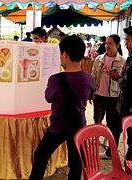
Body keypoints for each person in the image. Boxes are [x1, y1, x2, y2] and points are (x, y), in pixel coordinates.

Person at [29, 35, 95, 180]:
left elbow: (48, 98)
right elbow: (90, 97)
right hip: (78, 126)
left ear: (65, 54)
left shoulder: (55, 79)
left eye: (60, 54)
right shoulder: (89, 79)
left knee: (41, 155)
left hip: (58, 127)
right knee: (76, 163)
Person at [100, 25, 132, 161]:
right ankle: (110, 153)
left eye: (128, 40)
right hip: (123, 104)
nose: (126, 44)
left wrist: (118, 79)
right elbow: (127, 78)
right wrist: (120, 77)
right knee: (114, 129)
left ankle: (130, 166)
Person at [91, 34, 126, 149]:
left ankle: (107, 140)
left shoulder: (122, 61)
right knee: (97, 119)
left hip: (113, 96)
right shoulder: (99, 59)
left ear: (118, 45)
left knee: (111, 121)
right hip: (99, 95)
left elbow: (124, 79)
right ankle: (95, 138)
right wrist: (92, 92)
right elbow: (93, 75)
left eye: (110, 44)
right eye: (106, 43)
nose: (107, 46)